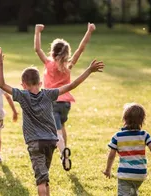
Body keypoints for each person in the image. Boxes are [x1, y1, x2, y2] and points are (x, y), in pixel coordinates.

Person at [0, 46, 105, 196]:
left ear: (23, 85)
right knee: (45, 177)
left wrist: (0, 63)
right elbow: (72, 85)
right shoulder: (48, 94)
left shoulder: (22, 95)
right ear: (40, 83)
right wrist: (89, 71)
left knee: (41, 180)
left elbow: (1, 84)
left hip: (35, 143)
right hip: (51, 141)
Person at [34, 23, 96, 171]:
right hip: (66, 104)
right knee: (61, 127)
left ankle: (63, 152)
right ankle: (64, 151)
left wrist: (37, 32)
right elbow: (81, 49)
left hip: (52, 102)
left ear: (53, 53)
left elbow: (37, 49)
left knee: (56, 131)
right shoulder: (68, 65)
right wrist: (89, 31)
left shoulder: (49, 64)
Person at [103, 103, 151, 196]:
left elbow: (111, 155)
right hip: (140, 174)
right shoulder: (144, 135)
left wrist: (108, 169)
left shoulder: (118, 136)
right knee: (132, 192)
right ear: (142, 120)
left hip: (125, 174)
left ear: (125, 119)